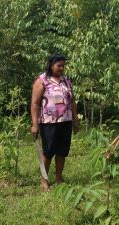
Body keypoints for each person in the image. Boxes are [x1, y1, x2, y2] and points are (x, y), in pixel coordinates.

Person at [31, 54, 79, 191]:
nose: (62, 68)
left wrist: (75, 120)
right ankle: (44, 180)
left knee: (62, 151)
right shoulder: (42, 81)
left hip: (65, 121)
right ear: (51, 65)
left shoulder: (66, 80)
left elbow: (72, 101)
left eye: (63, 65)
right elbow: (35, 103)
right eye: (59, 65)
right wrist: (35, 124)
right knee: (48, 151)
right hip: (48, 122)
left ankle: (59, 178)